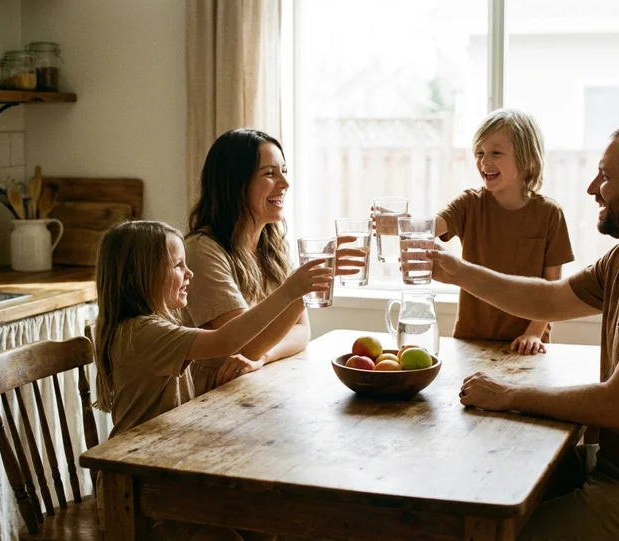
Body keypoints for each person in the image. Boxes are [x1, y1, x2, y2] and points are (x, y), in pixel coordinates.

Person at [420, 122, 619, 539]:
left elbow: (616, 406)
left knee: (495, 533)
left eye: (606, 176)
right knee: (483, 490)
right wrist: (458, 271)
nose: (592, 188)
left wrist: (510, 395)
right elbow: (549, 300)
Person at [93, 220, 332, 541]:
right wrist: (288, 290)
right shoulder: (143, 333)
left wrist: (298, 297)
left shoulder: (153, 326)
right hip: (136, 487)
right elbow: (225, 341)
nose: (189, 274)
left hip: (164, 471)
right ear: (142, 276)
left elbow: (253, 346)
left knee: (267, 524)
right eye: (178, 266)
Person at [184, 129, 364, 395]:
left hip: (253, 389)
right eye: (269, 173)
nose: (285, 183)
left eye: (284, 171)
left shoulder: (272, 246)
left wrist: (263, 359)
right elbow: (244, 345)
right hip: (210, 400)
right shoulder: (202, 251)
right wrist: (301, 290)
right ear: (235, 183)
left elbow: (302, 331)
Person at [385, 108, 574, 354]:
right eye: (480, 153)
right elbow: (430, 227)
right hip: (470, 341)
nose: (485, 162)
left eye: (496, 153)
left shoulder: (550, 214)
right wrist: (400, 225)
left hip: (525, 346)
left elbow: (552, 287)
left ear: (527, 158)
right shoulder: (468, 204)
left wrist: (533, 334)